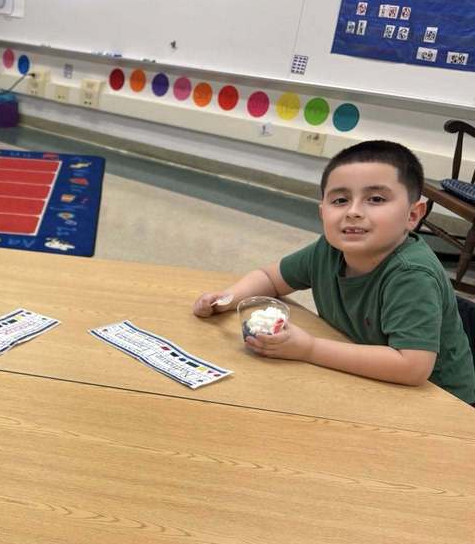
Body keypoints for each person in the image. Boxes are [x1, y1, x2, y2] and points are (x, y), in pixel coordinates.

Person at [192, 140, 475, 404]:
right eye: (340, 200)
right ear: (322, 212)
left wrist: (309, 349)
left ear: (413, 215)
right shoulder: (328, 249)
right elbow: (270, 278)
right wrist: (228, 298)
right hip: (366, 374)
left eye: (376, 199)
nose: (353, 212)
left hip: (443, 403)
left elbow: (412, 367)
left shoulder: (412, 275)